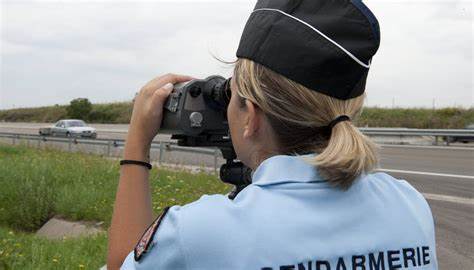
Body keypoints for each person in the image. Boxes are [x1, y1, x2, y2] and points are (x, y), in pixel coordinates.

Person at [107, 0, 438, 269]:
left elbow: (122, 263)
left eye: (231, 96)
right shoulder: (408, 205)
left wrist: (137, 139)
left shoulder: (201, 233)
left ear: (250, 116)